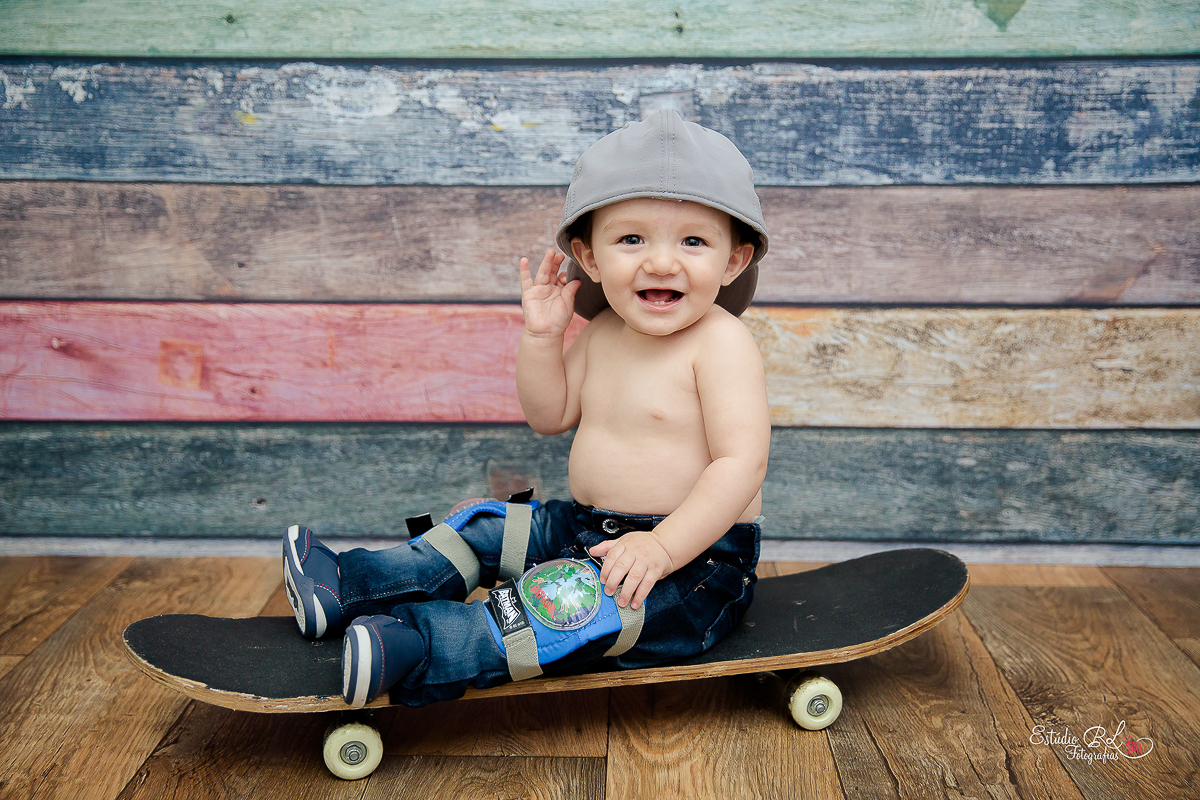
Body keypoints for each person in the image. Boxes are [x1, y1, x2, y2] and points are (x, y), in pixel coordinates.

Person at [282, 109, 771, 708]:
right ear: (591, 258)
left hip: (691, 565)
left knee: (563, 608)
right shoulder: (605, 331)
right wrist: (543, 337)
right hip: (585, 529)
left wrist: (662, 548)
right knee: (484, 528)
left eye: (693, 241)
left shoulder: (722, 344)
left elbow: (740, 465)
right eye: (632, 239)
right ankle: (347, 587)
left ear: (733, 261)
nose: (662, 262)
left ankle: (419, 646)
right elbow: (550, 414)